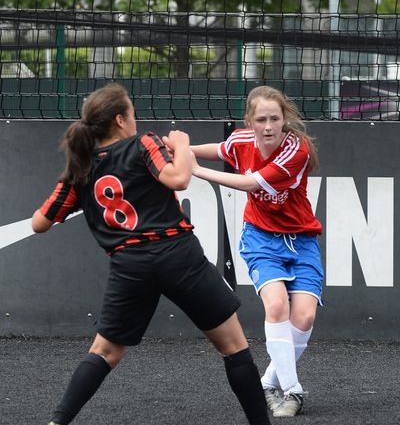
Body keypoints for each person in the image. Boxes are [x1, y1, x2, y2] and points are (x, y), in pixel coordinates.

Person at [31, 83, 271, 425]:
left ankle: (57, 421)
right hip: (178, 255)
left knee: (104, 352)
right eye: (132, 112)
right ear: (119, 119)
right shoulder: (143, 143)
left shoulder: (80, 169)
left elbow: (40, 223)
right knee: (234, 347)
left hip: (130, 265)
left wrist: (81, 198)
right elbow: (178, 179)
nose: (136, 119)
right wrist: (183, 143)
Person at [190, 85, 324, 418]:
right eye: (261, 119)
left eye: (274, 119)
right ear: (250, 121)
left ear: (284, 119)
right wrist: (181, 150)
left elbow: (251, 184)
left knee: (304, 316)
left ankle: (266, 383)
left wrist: (192, 169)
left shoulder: (297, 150)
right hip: (261, 238)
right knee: (277, 305)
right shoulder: (242, 141)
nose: (268, 127)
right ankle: (293, 391)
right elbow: (221, 149)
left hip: (302, 240)